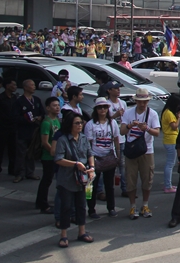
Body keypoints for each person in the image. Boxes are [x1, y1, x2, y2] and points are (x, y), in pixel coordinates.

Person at [54, 111, 94, 248]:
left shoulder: (83, 138)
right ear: (70, 125)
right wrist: (75, 164)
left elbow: (90, 154)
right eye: (77, 123)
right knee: (66, 207)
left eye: (81, 123)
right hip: (67, 179)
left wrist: (91, 167)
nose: (80, 125)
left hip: (82, 179)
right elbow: (58, 159)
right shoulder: (63, 140)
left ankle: (82, 232)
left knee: (81, 206)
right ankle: (64, 235)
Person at [120, 88, 161, 220]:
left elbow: (157, 132)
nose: (142, 104)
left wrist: (147, 128)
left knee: (147, 178)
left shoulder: (152, 114)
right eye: (140, 102)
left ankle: (145, 204)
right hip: (132, 150)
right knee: (130, 179)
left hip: (146, 150)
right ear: (136, 101)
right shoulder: (128, 113)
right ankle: (133, 206)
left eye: (145, 102)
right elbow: (122, 131)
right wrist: (130, 126)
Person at [85, 98, 119, 218]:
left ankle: (111, 207)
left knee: (109, 185)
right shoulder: (90, 124)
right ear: (96, 109)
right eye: (100, 107)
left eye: (105, 107)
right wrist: (89, 160)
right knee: (92, 186)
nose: (102, 110)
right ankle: (91, 209)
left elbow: (116, 140)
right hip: (95, 157)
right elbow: (88, 143)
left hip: (109, 156)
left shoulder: (112, 123)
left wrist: (118, 156)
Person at [14, 79, 43, 183]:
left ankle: (30, 172)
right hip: (23, 130)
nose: (34, 87)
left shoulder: (37, 100)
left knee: (31, 152)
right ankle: (20, 173)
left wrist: (40, 117)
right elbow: (15, 117)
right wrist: (26, 119)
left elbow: (42, 113)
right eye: (32, 85)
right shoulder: (19, 101)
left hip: (34, 130)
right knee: (21, 153)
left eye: (34, 85)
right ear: (25, 87)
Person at [35, 97, 61, 214]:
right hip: (48, 157)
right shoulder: (47, 122)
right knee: (46, 179)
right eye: (54, 105)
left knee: (49, 179)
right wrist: (54, 153)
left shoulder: (57, 121)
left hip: (55, 155)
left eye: (58, 105)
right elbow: (45, 142)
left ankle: (41, 202)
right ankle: (42, 204)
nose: (57, 107)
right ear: (48, 108)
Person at [103, 81, 128, 196]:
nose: (118, 90)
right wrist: (114, 116)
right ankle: (103, 190)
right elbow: (104, 121)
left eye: (119, 88)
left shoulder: (123, 103)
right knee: (106, 165)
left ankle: (125, 188)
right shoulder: (106, 104)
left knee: (122, 164)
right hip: (109, 139)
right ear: (109, 90)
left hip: (121, 138)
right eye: (115, 88)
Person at [160, 95, 180, 194]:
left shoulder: (166, 112)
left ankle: (168, 184)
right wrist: (179, 117)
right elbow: (174, 126)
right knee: (170, 164)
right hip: (171, 140)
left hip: (168, 140)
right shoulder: (169, 113)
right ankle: (168, 186)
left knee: (170, 163)